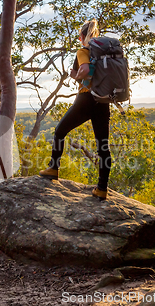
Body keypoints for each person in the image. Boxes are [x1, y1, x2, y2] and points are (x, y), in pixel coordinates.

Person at [39, 19, 111, 200]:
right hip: (102, 102)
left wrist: (77, 75)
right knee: (103, 146)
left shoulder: (83, 51)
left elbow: (85, 70)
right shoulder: (104, 54)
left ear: (81, 37)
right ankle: (102, 188)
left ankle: (53, 168)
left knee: (59, 131)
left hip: (86, 99)